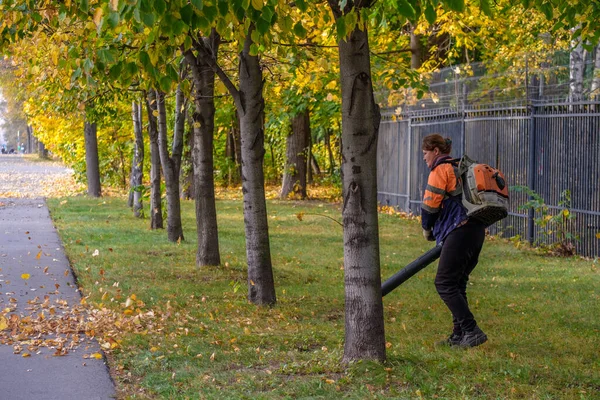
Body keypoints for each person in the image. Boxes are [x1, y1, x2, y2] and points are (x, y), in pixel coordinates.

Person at [421, 133, 488, 348]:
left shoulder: (440, 169)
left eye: (425, 153)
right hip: (476, 230)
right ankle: (459, 336)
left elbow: (430, 204)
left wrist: (426, 228)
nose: (424, 158)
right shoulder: (459, 168)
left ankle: (471, 330)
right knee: (457, 283)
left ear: (436, 151)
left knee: (444, 283)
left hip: (460, 231)